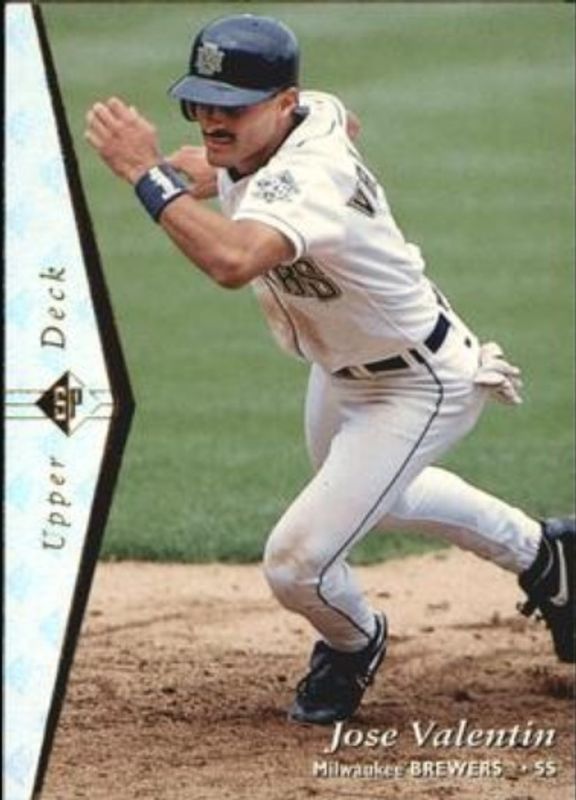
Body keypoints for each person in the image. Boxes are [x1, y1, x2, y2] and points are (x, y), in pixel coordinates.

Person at [85, 13, 574, 725]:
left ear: (283, 103)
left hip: (417, 383)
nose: (213, 119)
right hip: (340, 373)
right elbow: (340, 120)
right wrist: (211, 166)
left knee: (297, 564)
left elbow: (232, 261)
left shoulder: (309, 174)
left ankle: (354, 644)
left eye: (233, 107)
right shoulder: (307, 114)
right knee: (383, 498)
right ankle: (547, 556)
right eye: (201, 102)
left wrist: (141, 172)